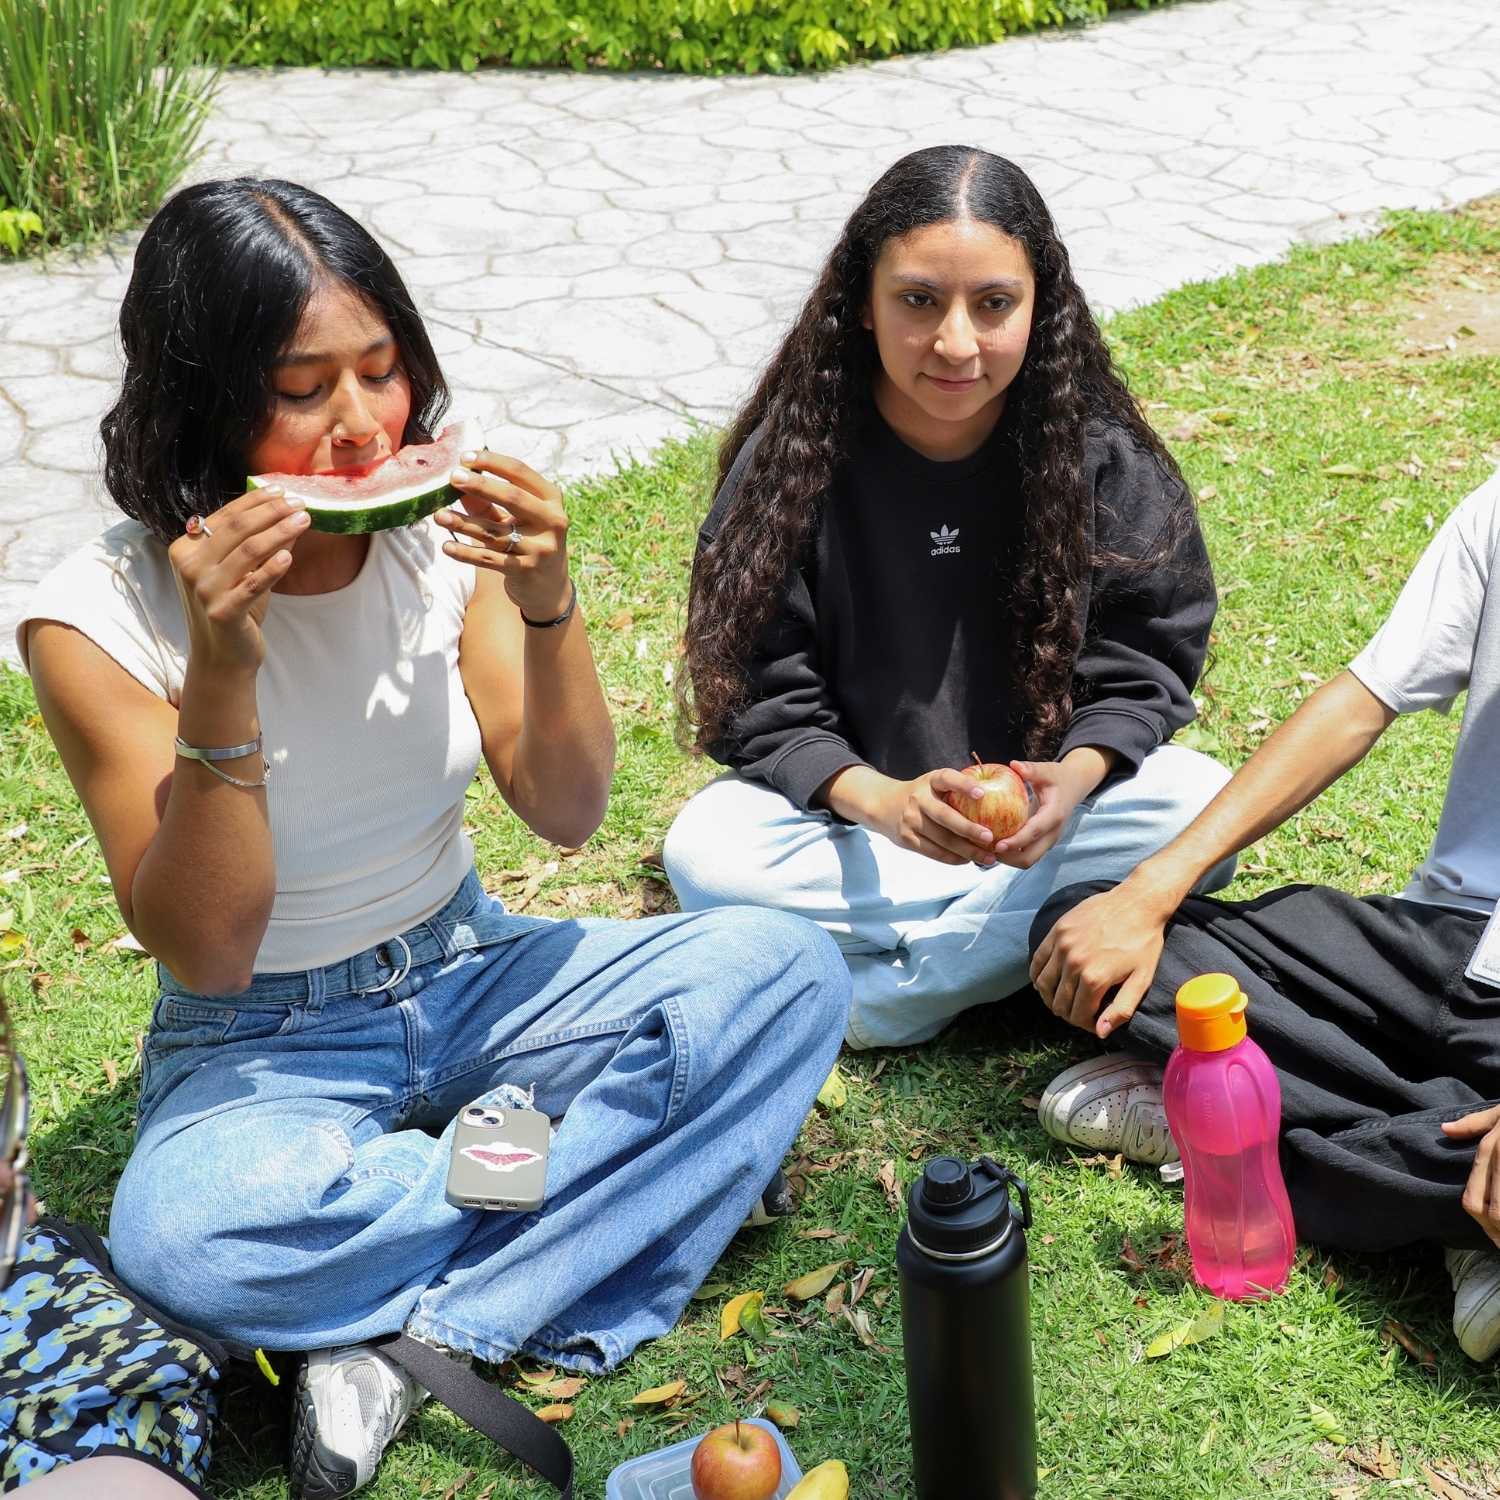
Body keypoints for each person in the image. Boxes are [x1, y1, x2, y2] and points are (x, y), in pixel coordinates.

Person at [15, 178, 851, 1498]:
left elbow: (566, 809)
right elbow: (210, 949)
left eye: (382, 369)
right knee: (188, 1241)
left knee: (786, 972)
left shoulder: (441, 540)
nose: (363, 426)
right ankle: (613, 1174)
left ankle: (421, 1336)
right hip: (260, 1040)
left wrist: (547, 598)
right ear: (202, 400)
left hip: (476, 968)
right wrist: (223, 673)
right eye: (302, 389)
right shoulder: (95, 621)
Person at [664, 145, 1234, 1050]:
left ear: (1041, 305)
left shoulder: (1100, 457)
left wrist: (1075, 777)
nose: (956, 343)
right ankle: (1021, 945)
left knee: (1200, 804)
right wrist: (885, 803)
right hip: (860, 829)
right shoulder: (791, 463)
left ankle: (887, 998)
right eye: (919, 300)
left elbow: (1144, 665)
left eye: (994, 304)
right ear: (863, 301)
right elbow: (762, 700)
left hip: (1046, 826)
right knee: (708, 851)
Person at [1028, 463, 1500, 1361]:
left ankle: (1251, 1145)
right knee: (1086, 928)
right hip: (1442, 938)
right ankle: (1454, 1176)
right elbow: (1362, 701)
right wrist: (1154, 889)